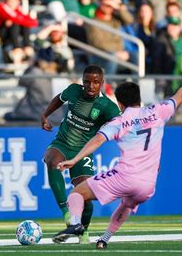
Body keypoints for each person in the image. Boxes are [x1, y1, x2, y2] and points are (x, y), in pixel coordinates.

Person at [52, 64, 182, 248]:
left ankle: (76, 224)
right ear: (139, 100)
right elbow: (181, 95)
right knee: (126, 204)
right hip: (148, 186)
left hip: (125, 177)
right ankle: (105, 239)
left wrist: (75, 159)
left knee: (77, 193)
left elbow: (97, 140)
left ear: (120, 104)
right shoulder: (158, 111)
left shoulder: (120, 121)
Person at [42, 65, 121, 244]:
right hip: (62, 143)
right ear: (82, 81)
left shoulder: (107, 106)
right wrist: (45, 115)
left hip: (82, 151)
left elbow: (123, 126)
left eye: (95, 82)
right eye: (87, 82)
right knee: (52, 160)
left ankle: (83, 230)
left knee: (85, 196)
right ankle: (67, 214)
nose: (91, 86)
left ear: (102, 83)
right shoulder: (73, 91)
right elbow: (58, 99)